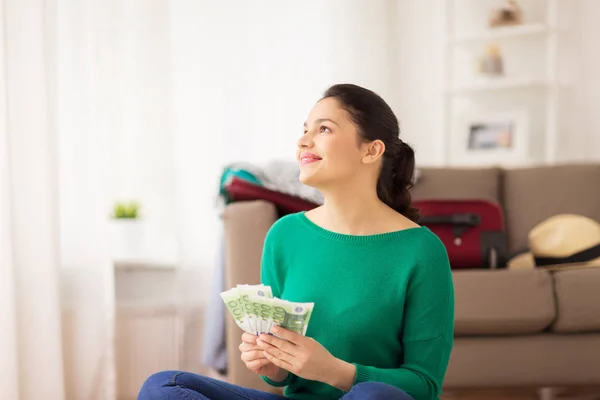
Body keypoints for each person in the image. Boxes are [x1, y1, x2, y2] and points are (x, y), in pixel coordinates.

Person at [137, 83, 455, 400]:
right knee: (163, 385)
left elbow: (424, 385)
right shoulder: (285, 235)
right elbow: (281, 375)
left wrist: (334, 370)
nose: (303, 141)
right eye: (304, 130)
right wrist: (273, 364)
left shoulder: (421, 251)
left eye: (324, 129)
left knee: (373, 396)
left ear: (371, 150)